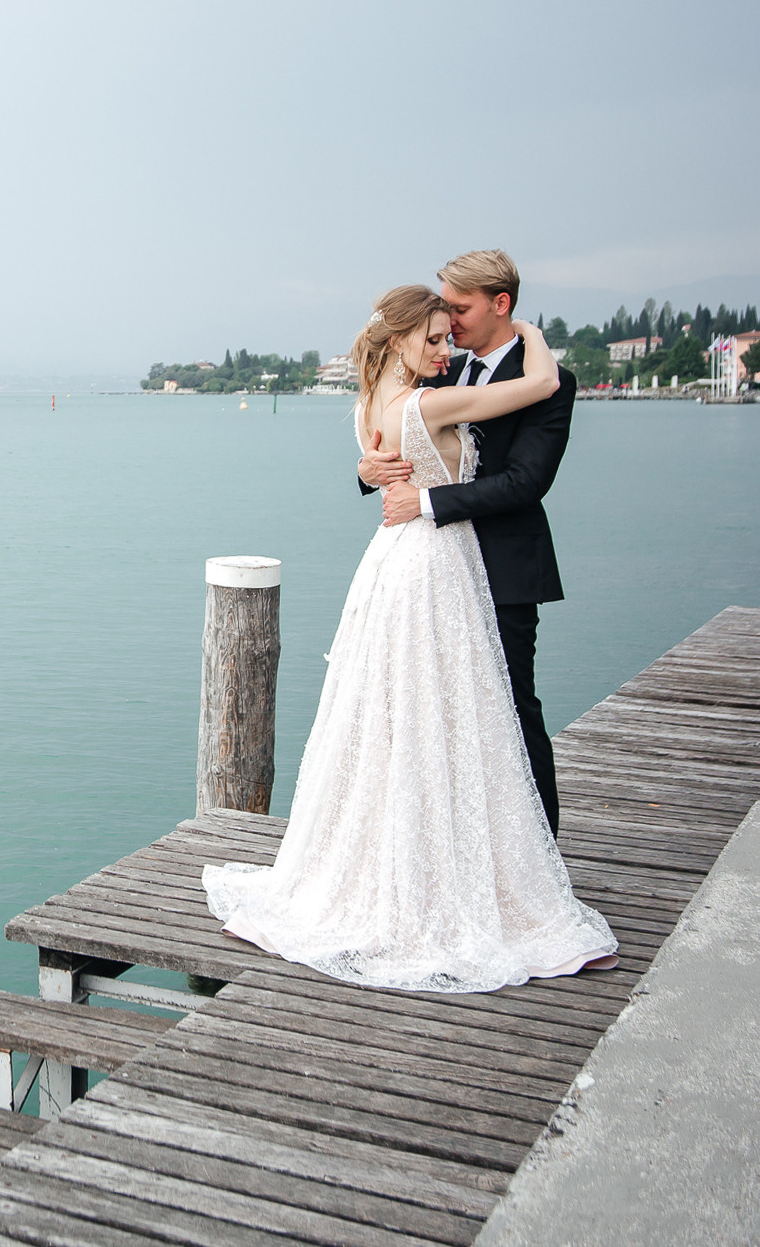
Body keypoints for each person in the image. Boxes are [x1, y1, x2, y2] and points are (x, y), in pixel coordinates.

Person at [202, 284, 615, 992]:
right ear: (396, 341)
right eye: (431, 336)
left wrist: (378, 466)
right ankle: (440, 880)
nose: (445, 345)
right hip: (431, 567)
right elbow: (537, 382)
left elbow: (507, 471)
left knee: (423, 715)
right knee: (442, 714)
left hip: (406, 565)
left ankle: (452, 862)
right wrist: (532, 332)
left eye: (449, 332)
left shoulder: (372, 401)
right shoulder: (428, 397)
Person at [359, 250, 568, 837]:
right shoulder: (438, 368)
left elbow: (527, 482)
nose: (448, 323)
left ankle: (540, 856)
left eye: (459, 307)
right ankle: (453, 847)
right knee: (434, 714)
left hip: (502, 567)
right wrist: (369, 468)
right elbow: (404, 435)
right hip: (430, 569)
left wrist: (423, 503)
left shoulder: (551, 382)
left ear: (501, 304)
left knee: (512, 709)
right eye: (443, 308)